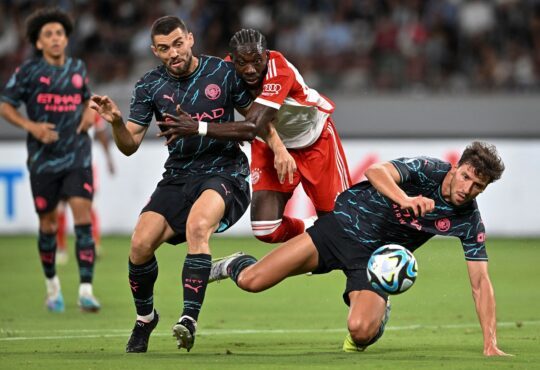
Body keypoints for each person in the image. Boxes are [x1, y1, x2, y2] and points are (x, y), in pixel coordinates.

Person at [209, 141, 510, 356]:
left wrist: (490, 342)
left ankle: (379, 312)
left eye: (477, 187)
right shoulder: (426, 169)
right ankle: (234, 264)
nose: (466, 188)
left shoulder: (468, 219)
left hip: (374, 263)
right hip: (337, 230)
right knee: (251, 281)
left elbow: (481, 283)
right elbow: (376, 173)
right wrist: (405, 200)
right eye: (466, 177)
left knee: (360, 331)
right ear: (456, 168)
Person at [90, 16, 255, 353]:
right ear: (155, 51)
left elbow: (255, 123)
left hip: (225, 171)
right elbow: (129, 145)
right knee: (139, 245)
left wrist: (280, 150)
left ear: (190, 39)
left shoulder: (222, 73)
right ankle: (145, 318)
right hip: (178, 175)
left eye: (178, 44)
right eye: (164, 48)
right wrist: (118, 123)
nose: (173, 53)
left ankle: (188, 320)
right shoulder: (150, 85)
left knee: (198, 226)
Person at [158, 28, 351, 244]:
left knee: (340, 222)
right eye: (242, 63)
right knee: (265, 229)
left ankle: (332, 237)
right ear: (233, 60)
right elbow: (220, 107)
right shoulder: (226, 70)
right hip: (268, 142)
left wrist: (198, 127)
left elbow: (251, 126)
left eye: (256, 61)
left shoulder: (280, 72)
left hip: (313, 139)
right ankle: (310, 227)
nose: (250, 69)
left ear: (266, 55)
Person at [0, 8, 100, 313]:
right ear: (39, 42)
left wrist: (87, 113)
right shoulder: (28, 72)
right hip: (43, 160)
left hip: (77, 155)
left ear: (66, 38)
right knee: (47, 224)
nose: (56, 39)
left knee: (82, 216)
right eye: (49, 35)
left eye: (59, 33)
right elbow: (6, 106)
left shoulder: (78, 68)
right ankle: (52, 288)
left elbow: (89, 100)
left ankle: (86, 290)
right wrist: (32, 127)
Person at [56, 111, 115, 264]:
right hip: (61, 164)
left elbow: (101, 133)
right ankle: (61, 248)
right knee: (60, 207)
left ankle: (94, 244)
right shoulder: (59, 102)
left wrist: (109, 158)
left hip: (85, 164)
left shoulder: (90, 106)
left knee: (89, 205)